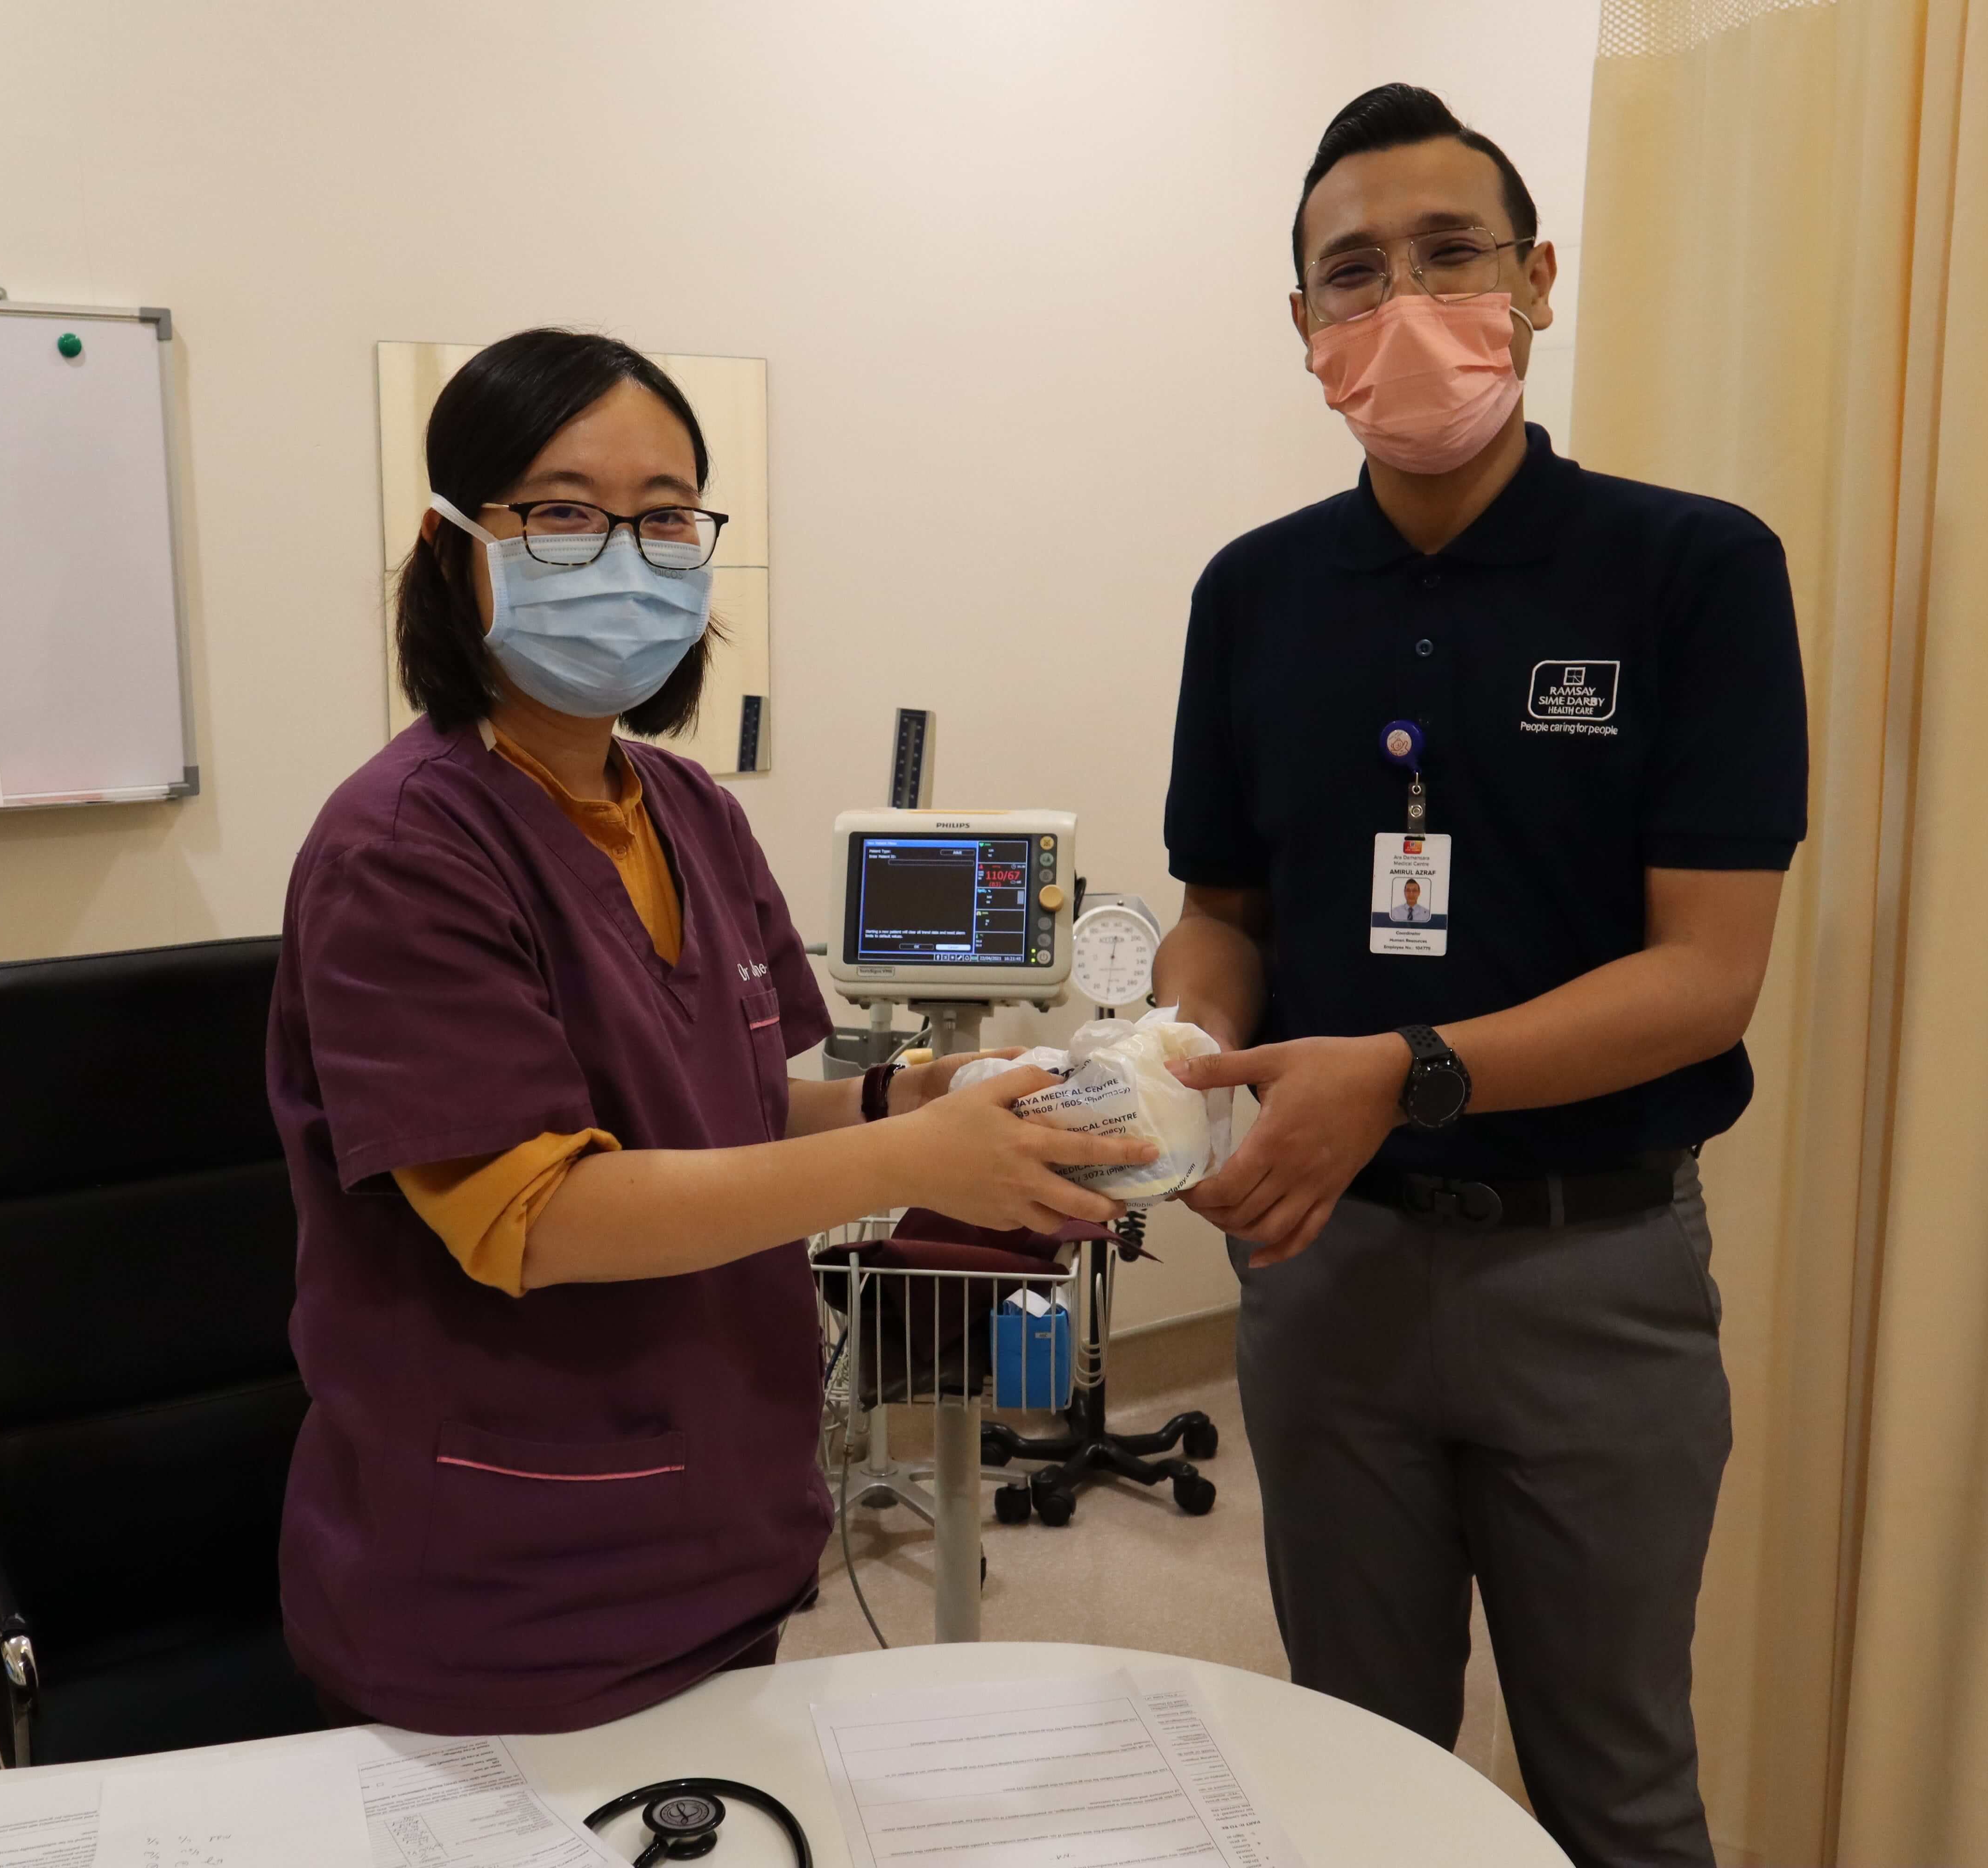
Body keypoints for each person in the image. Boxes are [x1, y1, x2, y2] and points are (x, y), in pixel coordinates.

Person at [267, 328, 1154, 1736]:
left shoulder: (687, 810)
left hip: (717, 1522)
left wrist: (928, 1094)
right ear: (456, 548)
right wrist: (915, 1159)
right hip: (507, 1576)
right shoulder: (403, 849)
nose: (625, 553)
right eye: (563, 512)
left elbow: (738, 1107)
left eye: (667, 514)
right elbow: (537, 1216)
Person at [1153, 86, 1808, 1868]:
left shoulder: (1693, 573)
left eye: (1451, 253)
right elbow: (1225, 905)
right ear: (1305, 334)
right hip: (1327, 1272)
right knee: (1360, 1788)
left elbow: (1706, 980)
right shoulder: (1256, 596)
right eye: (1350, 273)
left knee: (1618, 1792)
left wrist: (1406, 1067)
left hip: (1592, 1276)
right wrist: (1182, 1047)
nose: (1404, 302)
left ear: (1535, 279)